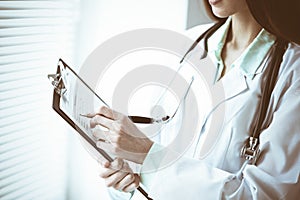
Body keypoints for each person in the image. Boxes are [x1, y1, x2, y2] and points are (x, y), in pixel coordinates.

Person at [90, 0, 300, 199]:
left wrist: (149, 157)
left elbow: (264, 195)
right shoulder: (188, 45)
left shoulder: (292, 71)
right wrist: (128, 180)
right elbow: (151, 159)